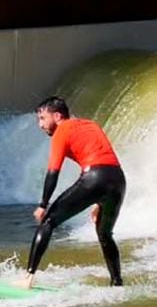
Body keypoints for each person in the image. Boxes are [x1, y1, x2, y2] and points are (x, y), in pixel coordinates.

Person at [25, 96, 127, 288]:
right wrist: (100, 201)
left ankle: (27, 279)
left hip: (94, 177)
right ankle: (117, 283)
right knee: (105, 234)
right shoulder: (91, 125)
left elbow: (53, 171)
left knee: (48, 222)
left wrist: (43, 205)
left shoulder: (62, 130)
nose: (40, 125)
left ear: (56, 116)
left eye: (42, 118)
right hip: (117, 180)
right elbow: (104, 160)